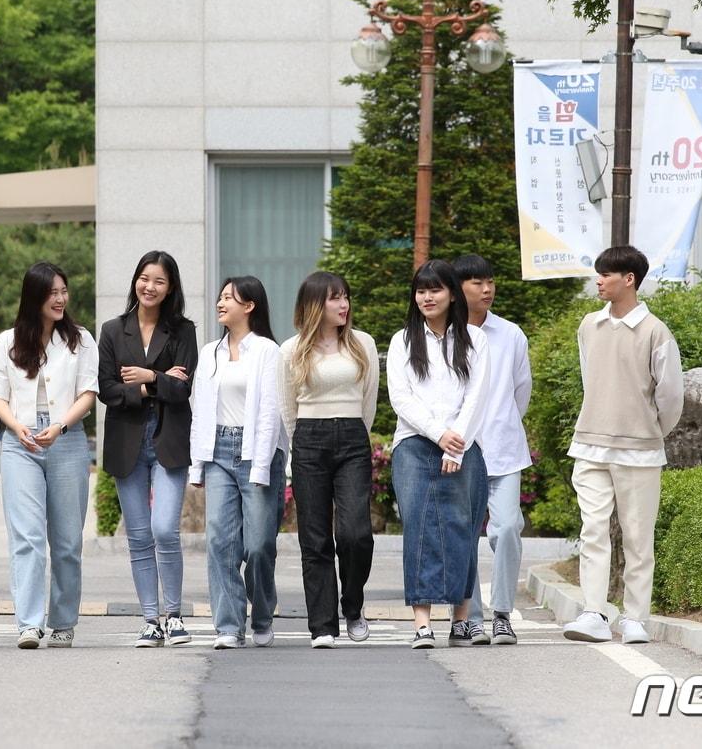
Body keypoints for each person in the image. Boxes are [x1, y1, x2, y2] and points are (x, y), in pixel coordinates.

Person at [562, 245, 684, 646]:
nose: (598, 280)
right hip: (590, 445)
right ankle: (594, 612)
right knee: (593, 530)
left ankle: (635, 618)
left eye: (606, 275)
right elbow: (589, 379)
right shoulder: (588, 326)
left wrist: (647, 431)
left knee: (637, 536)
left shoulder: (655, 332)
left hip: (640, 450)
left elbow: (670, 398)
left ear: (628, 279)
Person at [0, 261, 98, 649]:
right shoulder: (7, 341)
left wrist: (62, 426)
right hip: (20, 443)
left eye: (63, 291)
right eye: (52, 292)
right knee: (28, 537)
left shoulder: (81, 340)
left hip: (67, 440)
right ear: (34, 296)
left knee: (67, 540)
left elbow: (88, 393)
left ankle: (64, 620)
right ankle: (29, 623)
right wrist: (17, 427)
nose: (61, 299)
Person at [386, 259, 490, 648]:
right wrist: (439, 433)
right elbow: (401, 398)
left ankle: (461, 619)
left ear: (451, 293)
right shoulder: (403, 340)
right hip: (414, 443)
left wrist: (456, 442)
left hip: (464, 444)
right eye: (421, 290)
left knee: (462, 526)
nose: (427, 297)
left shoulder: (475, 340)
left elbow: (477, 396)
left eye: (435, 289)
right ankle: (422, 623)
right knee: (419, 526)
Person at [99, 252, 198, 648]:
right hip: (128, 441)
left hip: (168, 438)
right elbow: (107, 389)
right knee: (139, 535)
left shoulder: (183, 330)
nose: (149, 287)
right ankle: (150, 619)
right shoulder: (112, 330)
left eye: (158, 281)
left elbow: (183, 387)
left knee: (164, 530)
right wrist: (152, 384)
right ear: (135, 282)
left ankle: (174, 616)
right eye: (144, 278)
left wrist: (146, 376)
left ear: (170, 287)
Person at [278, 271, 380, 648]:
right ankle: (322, 625)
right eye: (335, 298)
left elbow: (368, 400)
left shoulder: (362, 344)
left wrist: (354, 432)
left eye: (346, 297)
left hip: (353, 438)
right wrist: (301, 447)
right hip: (308, 440)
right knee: (314, 538)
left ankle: (352, 605)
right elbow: (288, 409)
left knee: (356, 534)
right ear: (314, 305)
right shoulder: (290, 350)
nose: (344, 305)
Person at [188, 276, 285, 650]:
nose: (221, 302)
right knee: (219, 541)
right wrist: (199, 464)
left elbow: (270, 412)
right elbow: (200, 410)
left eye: (230, 297)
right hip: (218, 452)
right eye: (221, 296)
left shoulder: (267, 351)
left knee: (259, 544)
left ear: (250, 306)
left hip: (257, 451)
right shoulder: (210, 351)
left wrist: (261, 464)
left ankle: (261, 614)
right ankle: (228, 625)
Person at [449, 253, 532, 647]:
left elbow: (521, 392)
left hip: (503, 449)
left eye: (490, 281)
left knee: (507, 529)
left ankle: (501, 614)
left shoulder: (511, 334)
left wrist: (501, 423)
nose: (487, 289)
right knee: (462, 534)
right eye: (477, 283)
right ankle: (468, 616)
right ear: (458, 289)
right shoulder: (444, 336)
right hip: (459, 450)